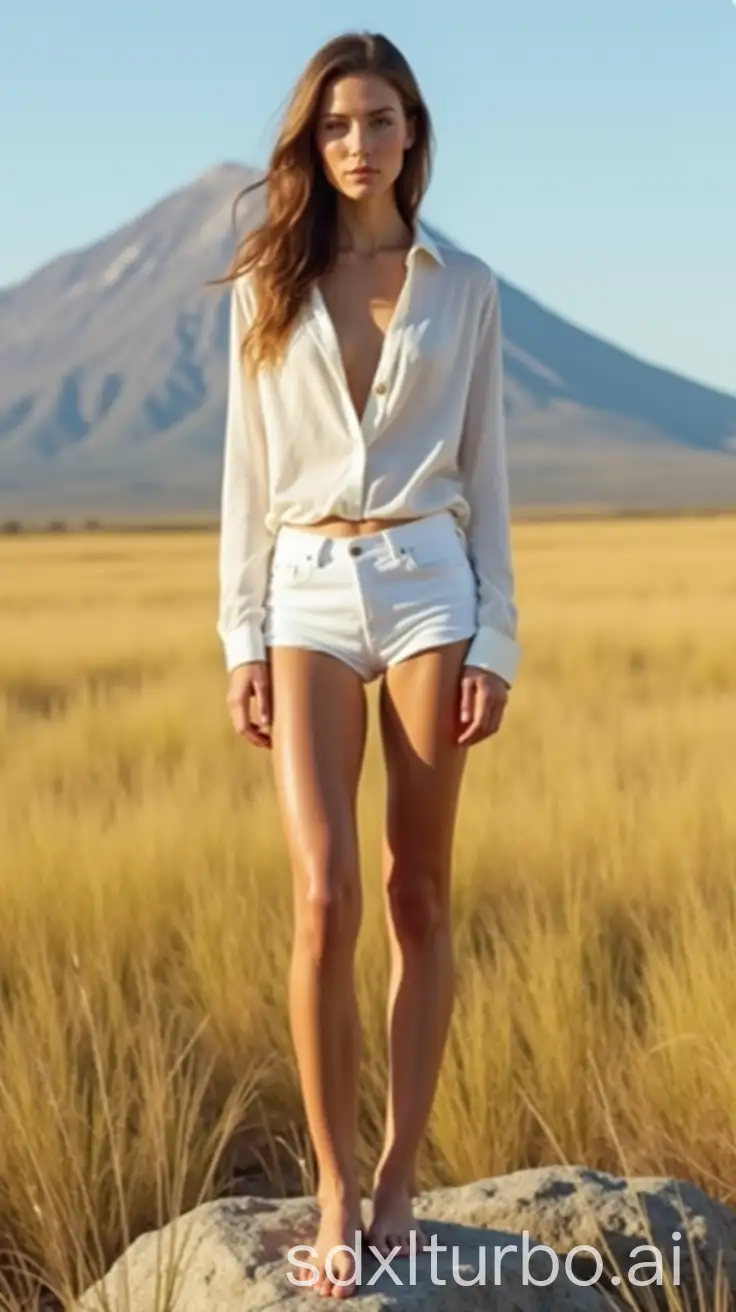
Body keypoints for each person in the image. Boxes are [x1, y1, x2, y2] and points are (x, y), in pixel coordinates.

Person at [214, 29, 521, 1300]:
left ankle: (399, 1171)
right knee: (323, 895)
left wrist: (494, 634)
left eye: (378, 120)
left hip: (425, 588)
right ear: (311, 138)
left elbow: (488, 474)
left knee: (416, 891)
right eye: (335, 125)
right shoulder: (264, 284)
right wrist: (240, 632)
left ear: (413, 133)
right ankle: (335, 1185)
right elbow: (241, 476)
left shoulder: (467, 288)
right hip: (304, 593)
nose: (356, 144)